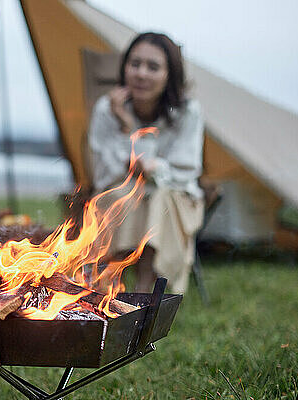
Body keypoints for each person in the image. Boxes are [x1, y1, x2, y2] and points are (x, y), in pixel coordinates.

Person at [88, 32, 204, 294]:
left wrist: (150, 168)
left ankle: (144, 290)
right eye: (135, 64)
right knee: (124, 194)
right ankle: (111, 286)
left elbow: (183, 173)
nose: (141, 74)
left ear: (169, 74)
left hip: (175, 198)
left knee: (161, 198)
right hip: (123, 193)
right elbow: (104, 173)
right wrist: (127, 126)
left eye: (153, 67)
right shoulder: (107, 109)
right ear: (125, 67)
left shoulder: (188, 112)